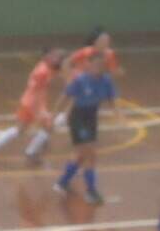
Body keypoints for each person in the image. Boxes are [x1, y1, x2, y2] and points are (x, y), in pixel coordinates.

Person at [52, 52, 121, 205]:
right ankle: (91, 191)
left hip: (91, 117)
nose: (98, 67)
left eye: (101, 64)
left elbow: (112, 98)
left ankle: (62, 182)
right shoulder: (81, 80)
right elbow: (65, 96)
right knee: (90, 153)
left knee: (81, 155)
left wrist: (117, 114)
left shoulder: (106, 80)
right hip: (78, 118)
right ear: (88, 65)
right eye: (95, 64)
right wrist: (54, 115)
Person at [0, 47, 65, 165]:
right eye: (53, 56)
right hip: (34, 105)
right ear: (46, 57)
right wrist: (41, 113)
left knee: (20, 129)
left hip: (27, 102)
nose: (56, 58)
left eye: (56, 56)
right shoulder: (43, 72)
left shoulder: (45, 67)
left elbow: (59, 70)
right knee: (49, 126)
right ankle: (31, 153)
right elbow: (38, 91)